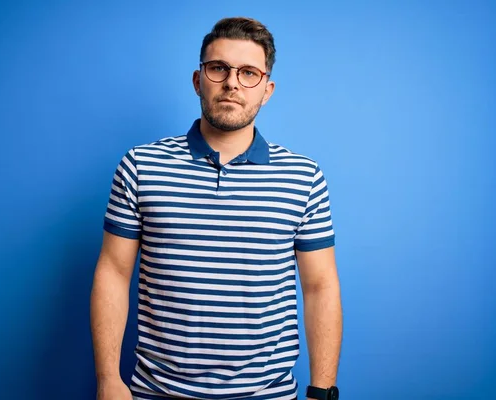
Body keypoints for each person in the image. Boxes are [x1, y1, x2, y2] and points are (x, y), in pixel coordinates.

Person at [90, 17, 342, 400]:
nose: (232, 83)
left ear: (267, 89)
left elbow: (320, 286)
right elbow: (113, 270)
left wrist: (322, 393)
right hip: (157, 392)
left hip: (267, 394)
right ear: (198, 79)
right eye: (218, 68)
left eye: (249, 73)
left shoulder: (303, 175)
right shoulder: (141, 165)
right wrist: (109, 380)